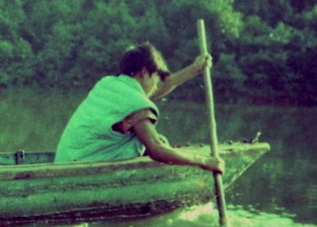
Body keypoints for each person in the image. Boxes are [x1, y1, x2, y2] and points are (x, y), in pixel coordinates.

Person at [55, 42, 224, 173]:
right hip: (82, 169)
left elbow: (160, 87)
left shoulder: (108, 84)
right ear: (144, 73)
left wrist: (195, 69)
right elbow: (156, 150)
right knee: (159, 143)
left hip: (64, 161)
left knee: (157, 141)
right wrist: (203, 161)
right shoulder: (136, 104)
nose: (156, 84)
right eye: (155, 77)